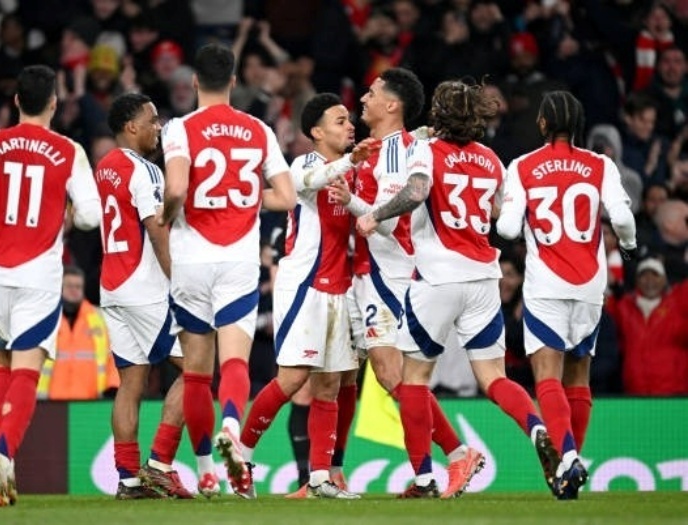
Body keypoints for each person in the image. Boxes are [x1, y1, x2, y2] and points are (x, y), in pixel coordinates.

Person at [356, 79, 560, 499]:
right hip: (484, 278)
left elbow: (416, 191)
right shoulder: (490, 159)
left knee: (414, 380)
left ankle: (425, 479)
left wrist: (376, 215)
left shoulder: (425, 150)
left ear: (439, 114)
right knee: (494, 377)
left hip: (437, 276)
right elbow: (501, 214)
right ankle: (536, 427)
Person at [0, 65, 101, 507]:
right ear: (53, 103)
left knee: (0, 366)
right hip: (37, 277)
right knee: (27, 372)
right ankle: (4, 455)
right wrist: (69, 218)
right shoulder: (69, 151)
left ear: (16, 101)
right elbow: (91, 216)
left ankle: (3, 467)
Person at [328, 68, 481, 499]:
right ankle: (332, 472)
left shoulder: (397, 151)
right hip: (367, 273)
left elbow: (392, 222)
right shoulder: (380, 148)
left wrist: (351, 202)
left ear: (392, 105)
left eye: (372, 93)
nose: (363, 98)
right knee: (348, 374)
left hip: (390, 273)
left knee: (394, 375)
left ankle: (454, 455)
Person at [159, 43, 297, 498]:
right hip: (238, 258)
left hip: (191, 260)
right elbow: (287, 197)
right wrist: (245, 197)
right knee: (234, 360)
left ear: (195, 81)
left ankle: (204, 471)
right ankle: (233, 429)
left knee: (197, 374)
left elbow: (176, 188)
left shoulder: (179, 128)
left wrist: (168, 213)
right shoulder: (258, 129)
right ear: (234, 81)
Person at [497, 90, 637, 499]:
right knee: (579, 376)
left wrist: (510, 216)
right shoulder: (600, 164)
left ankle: (569, 457)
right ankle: (567, 474)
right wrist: (628, 246)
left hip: (546, 284)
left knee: (547, 377)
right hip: (591, 285)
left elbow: (508, 228)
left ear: (542, 123)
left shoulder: (523, 166)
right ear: (578, 125)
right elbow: (622, 217)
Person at [239, 93, 378, 499]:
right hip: (304, 285)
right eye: (340, 121)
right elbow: (310, 183)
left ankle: (319, 478)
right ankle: (240, 455)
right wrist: (351, 162)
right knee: (292, 378)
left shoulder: (354, 171)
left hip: (341, 288)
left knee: (330, 385)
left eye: (349, 120)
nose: (350, 126)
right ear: (316, 132)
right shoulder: (302, 164)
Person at [95, 92, 193, 500]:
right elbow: (157, 231)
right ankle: (160, 464)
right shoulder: (146, 171)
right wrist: (179, 282)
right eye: (152, 120)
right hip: (145, 286)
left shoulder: (105, 166)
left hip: (112, 286)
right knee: (199, 369)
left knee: (131, 382)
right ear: (131, 126)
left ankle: (128, 479)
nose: (159, 127)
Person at [606, 257, 688, 395]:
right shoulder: (624, 308)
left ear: (664, 280)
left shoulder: (678, 305)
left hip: (675, 392)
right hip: (635, 391)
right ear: (636, 281)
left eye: (655, 274)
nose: (649, 280)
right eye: (643, 275)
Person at [36, 265, 119, 401]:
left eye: (78, 287)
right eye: (69, 286)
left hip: (91, 400)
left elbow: (113, 356)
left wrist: (113, 386)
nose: (73, 290)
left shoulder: (100, 318)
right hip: (50, 401)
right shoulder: (45, 319)